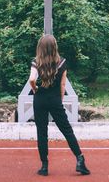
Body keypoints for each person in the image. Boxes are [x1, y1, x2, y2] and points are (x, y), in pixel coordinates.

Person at [29, 34, 90, 176]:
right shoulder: (62, 62)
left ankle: (44, 166)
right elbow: (63, 85)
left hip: (40, 100)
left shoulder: (35, 62)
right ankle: (80, 160)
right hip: (55, 99)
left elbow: (32, 79)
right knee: (67, 130)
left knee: (42, 132)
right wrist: (59, 100)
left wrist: (35, 89)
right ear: (55, 46)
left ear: (40, 47)